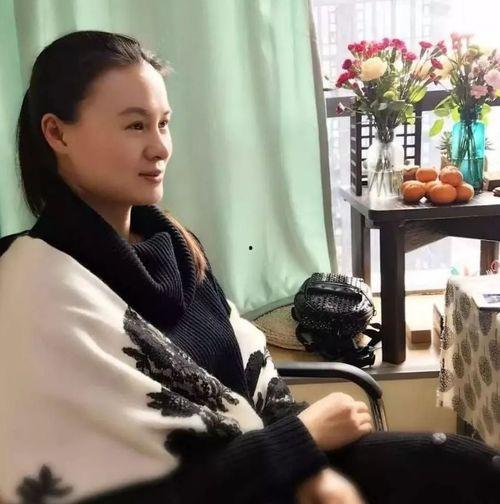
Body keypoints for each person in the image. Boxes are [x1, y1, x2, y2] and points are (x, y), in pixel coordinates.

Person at [0, 30, 498, 504]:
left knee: (461, 468)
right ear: (56, 133)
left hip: (267, 471)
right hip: (239, 483)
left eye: (163, 123)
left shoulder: (174, 246)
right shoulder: (34, 291)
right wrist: (300, 441)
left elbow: (250, 383)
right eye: (135, 125)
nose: (160, 147)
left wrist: (313, 471)